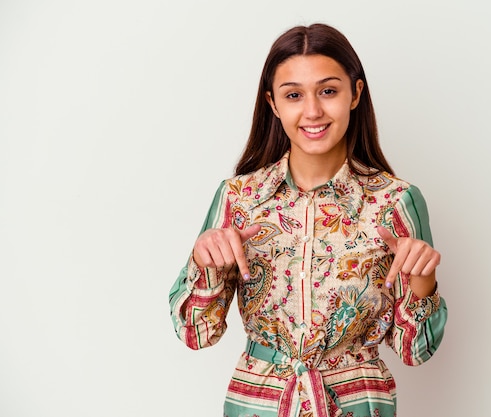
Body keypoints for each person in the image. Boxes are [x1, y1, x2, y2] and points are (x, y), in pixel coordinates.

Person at [169, 23, 448, 417]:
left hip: (359, 404)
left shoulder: (396, 202)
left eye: (328, 91)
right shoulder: (238, 199)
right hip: (258, 405)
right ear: (273, 103)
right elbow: (195, 334)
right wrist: (203, 263)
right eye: (294, 95)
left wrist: (423, 281)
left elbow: (415, 351)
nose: (313, 110)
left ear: (356, 94)